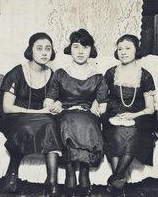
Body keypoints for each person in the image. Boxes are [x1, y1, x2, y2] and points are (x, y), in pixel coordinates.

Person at [0, 32, 62, 196]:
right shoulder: (18, 72)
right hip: (10, 117)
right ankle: (13, 172)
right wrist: (38, 112)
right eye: (39, 48)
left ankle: (52, 182)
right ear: (31, 50)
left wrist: (58, 104)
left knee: (50, 122)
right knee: (29, 124)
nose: (44, 52)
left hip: (38, 118)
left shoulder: (51, 74)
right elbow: (7, 108)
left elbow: (54, 100)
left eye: (48, 48)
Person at [45, 29, 108, 197]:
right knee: (67, 122)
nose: (80, 51)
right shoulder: (60, 73)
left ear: (91, 50)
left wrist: (96, 104)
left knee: (89, 122)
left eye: (85, 47)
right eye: (76, 46)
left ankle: (85, 172)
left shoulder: (98, 76)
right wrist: (57, 103)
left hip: (87, 113)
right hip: (65, 112)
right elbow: (48, 101)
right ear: (70, 49)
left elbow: (103, 107)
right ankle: (70, 170)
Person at [101, 34, 158, 193]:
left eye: (128, 48)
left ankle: (116, 178)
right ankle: (118, 183)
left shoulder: (145, 75)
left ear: (136, 50)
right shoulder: (110, 73)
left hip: (139, 114)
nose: (123, 52)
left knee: (133, 131)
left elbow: (150, 109)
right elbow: (101, 98)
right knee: (115, 132)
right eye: (120, 48)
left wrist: (132, 116)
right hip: (114, 112)